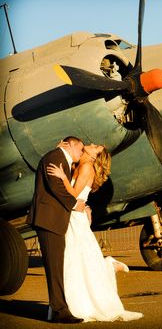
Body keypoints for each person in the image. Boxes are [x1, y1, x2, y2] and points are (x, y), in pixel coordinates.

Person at [46, 143, 143, 322]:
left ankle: (107, 267)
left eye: (96, 147)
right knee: (77, 261)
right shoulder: (78, 165)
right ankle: (107, 268)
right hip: (72, 216)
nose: (91, 145)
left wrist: (61, 177)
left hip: (76, 219)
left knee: (79, 260)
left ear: (95, 156)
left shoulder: (87, 167)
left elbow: (74, 194)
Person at [27, 136, 85, 324]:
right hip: (48, 220)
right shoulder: (55, 157)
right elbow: (56, 187)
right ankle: (60, 311)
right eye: (80, 148)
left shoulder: (61, 160)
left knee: (56, 267)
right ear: (69, 144)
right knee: (54, 268)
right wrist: (74, 205)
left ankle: (57, 308)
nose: (81, 152)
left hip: (53, 221)